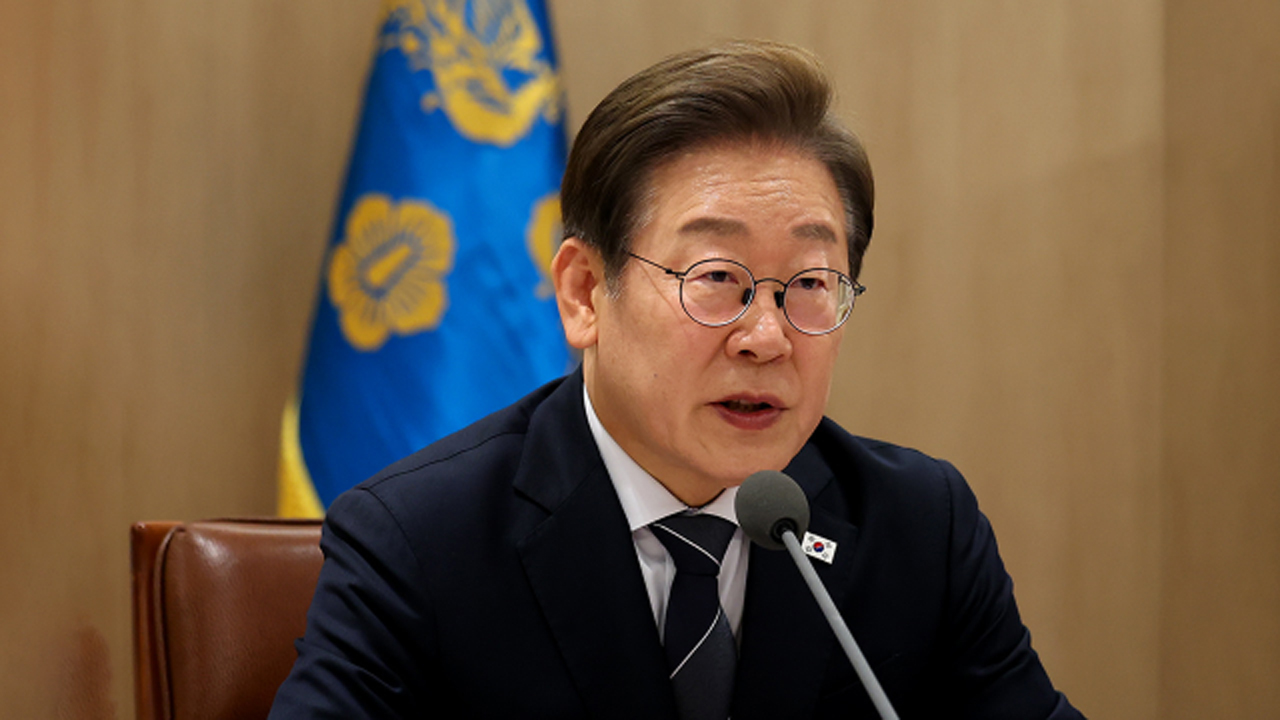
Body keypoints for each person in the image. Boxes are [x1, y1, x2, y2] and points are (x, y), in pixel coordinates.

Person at [269, 40, 1084, 719]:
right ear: (584, 292)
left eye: (809, 283)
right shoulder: (421, 542)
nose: (766, 337)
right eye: (716, 276)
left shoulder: (917, 528)